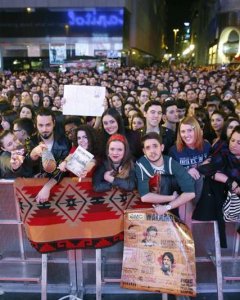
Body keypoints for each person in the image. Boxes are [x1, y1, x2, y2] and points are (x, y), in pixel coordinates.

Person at [135, 132, 195, 216]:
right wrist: (171, 197)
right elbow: (145, 197)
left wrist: (167, 207)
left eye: (155, 146)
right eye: (148, 148)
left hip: (171, 206)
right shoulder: (142, 164)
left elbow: (190, 193)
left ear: (162, 147)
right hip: (149, 207)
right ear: (144, 151)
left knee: (167, 179)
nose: (152, 151)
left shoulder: (171, 163)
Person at [26, 108, 70, 203]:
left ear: (54, 123)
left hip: (59, 191)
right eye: (40, 125)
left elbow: (64, 168)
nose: (44, 129)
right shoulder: (30, 141)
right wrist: (33, 154)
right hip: (34, 191)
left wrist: (47, 186)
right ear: (35, 125)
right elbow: (26, 167)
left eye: (48, 125)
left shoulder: (64, 142)